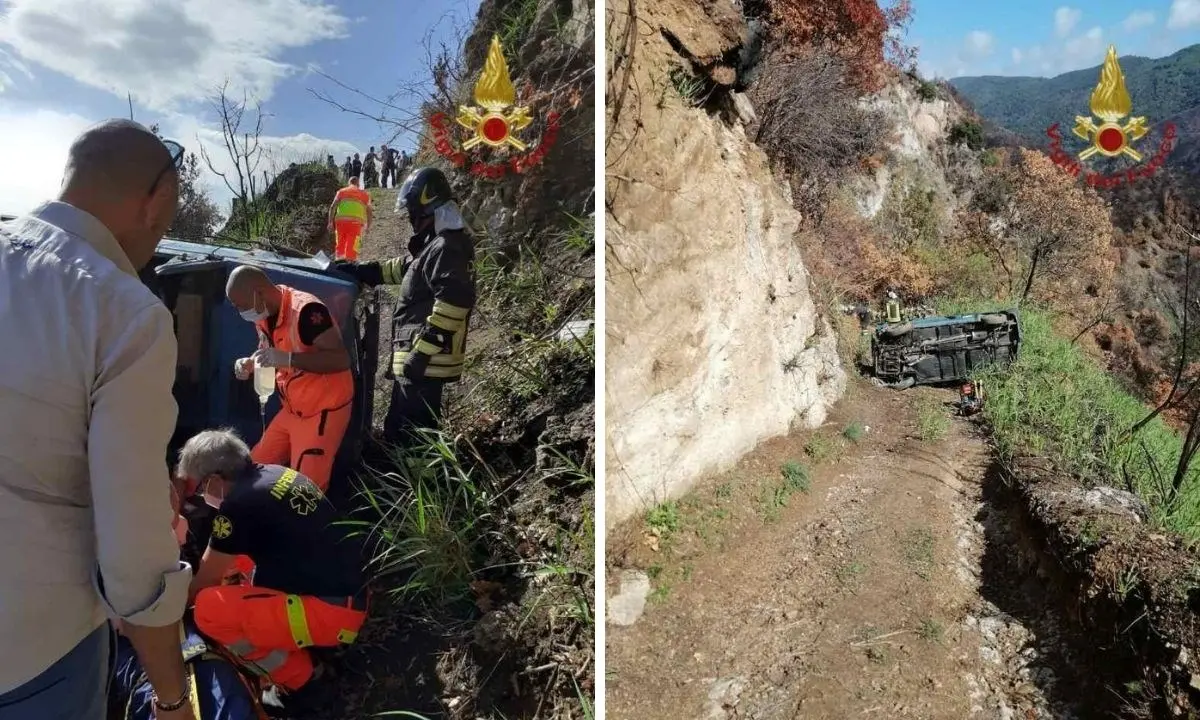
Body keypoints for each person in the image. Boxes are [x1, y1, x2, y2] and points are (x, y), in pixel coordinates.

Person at [0, 119, 196, 718]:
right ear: (159, 200)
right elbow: (133, 548)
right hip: (35, 652)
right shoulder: (126, 313)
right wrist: (170, 694)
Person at [180, 430, 369, 694]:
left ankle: (304, 677)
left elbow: (205, 581)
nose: (201, 498)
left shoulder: (237, 506)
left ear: (214, 479)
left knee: (208, 609)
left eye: (200, 489)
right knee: (237, 563)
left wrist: (172, 614)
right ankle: (314, 646)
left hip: (329, 614)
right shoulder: (275, 475)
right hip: (347, 598)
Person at [335, 167, 476, 446]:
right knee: (398, 429)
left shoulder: (448, 246)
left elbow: (454, 302)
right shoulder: (435, 245)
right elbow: (406, 269)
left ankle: (420, 484)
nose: (410, 218)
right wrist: (361, 270)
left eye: (412, 212)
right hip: (420, 361)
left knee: (413, 437)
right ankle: (402, 479)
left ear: (426, 210)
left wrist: (421, 354)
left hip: (426, 363)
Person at [226, 266, 353, 492]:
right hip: (292, 410)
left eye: (241, 306)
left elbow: (340, 360)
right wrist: (251, 363)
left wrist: (289, 359)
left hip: (321, 411)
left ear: (259, 292)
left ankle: (309, 527)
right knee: (253, 470)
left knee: (304, 490)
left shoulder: (307, 311)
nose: (240, 312)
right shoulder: (264, 313)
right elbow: (272, 351)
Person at [327, 176, 373, 261]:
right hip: (355, 224)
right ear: (358, 184)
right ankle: (350, 265)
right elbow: (369, 212)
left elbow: (333, 206)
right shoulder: (365, 195)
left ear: (349, 183)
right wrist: (368, 226)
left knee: (340, 244)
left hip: (340, 222)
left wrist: (330, 222)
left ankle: (338, 264)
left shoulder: (341, 192)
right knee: (352, 246)